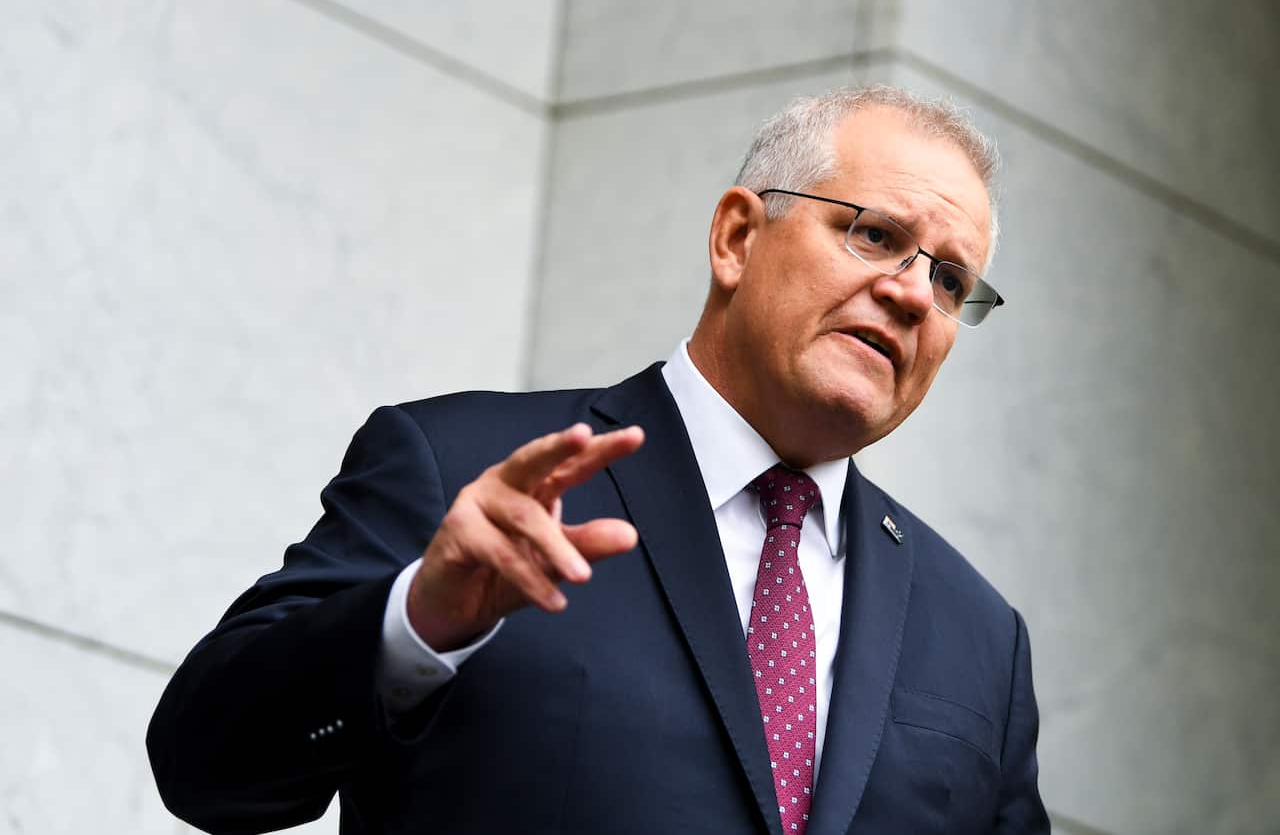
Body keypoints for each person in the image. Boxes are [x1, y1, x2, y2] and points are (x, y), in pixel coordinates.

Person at [148, 85, 1050, 834]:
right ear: (737, 238)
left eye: (950, 281)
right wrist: (415, 622)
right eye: (877, 234)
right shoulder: (462, 468)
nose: (909, 294)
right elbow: (204, 767)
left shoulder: (979, 635)